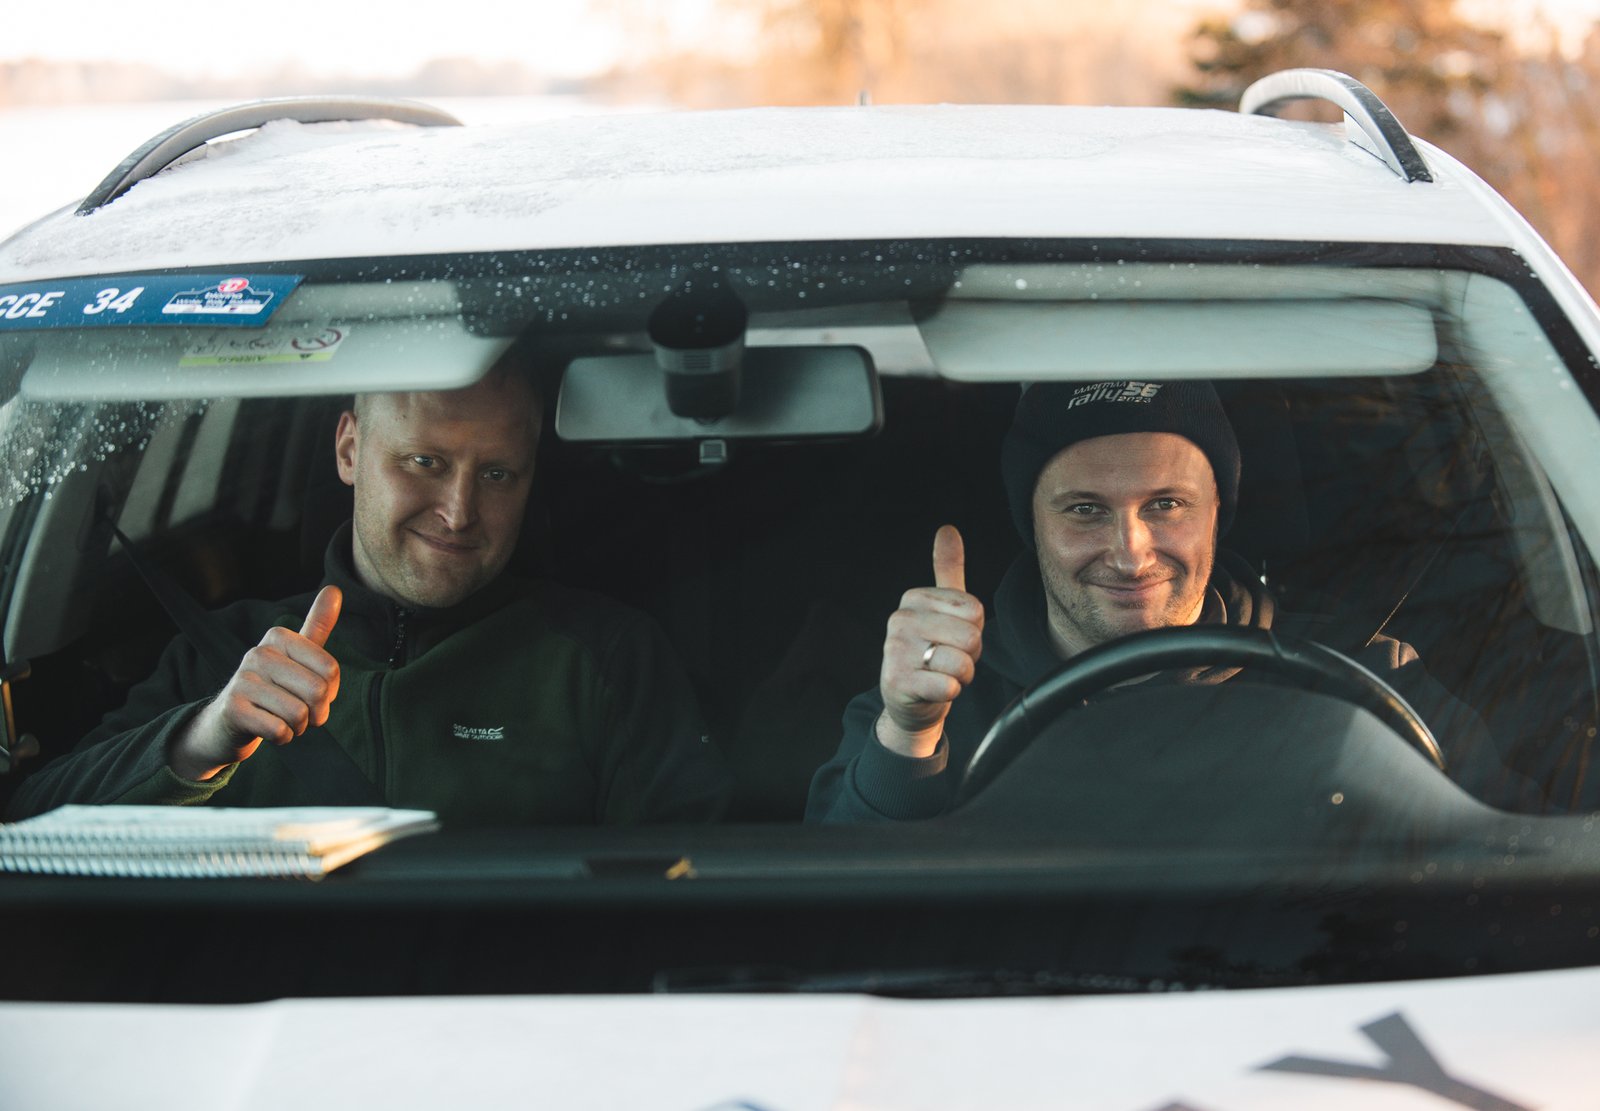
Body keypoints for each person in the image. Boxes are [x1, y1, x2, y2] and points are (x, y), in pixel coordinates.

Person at [8, 364, 731, 826]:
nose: (459, 512)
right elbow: (29, 827)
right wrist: (203, 740)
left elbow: (687, 886)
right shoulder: (225, 655)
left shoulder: (606, 658)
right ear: (350, 450)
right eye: (425, 461)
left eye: (497, 475)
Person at [806, 379, 1524, 823]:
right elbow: (837, 922)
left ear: (1218, 511)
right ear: (1033, 524)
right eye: (1085, 509)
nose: (1130, 552)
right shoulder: (930, 704)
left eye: (1166, 504)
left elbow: (1517, 860)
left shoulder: (1364, 679)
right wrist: (908, 738)